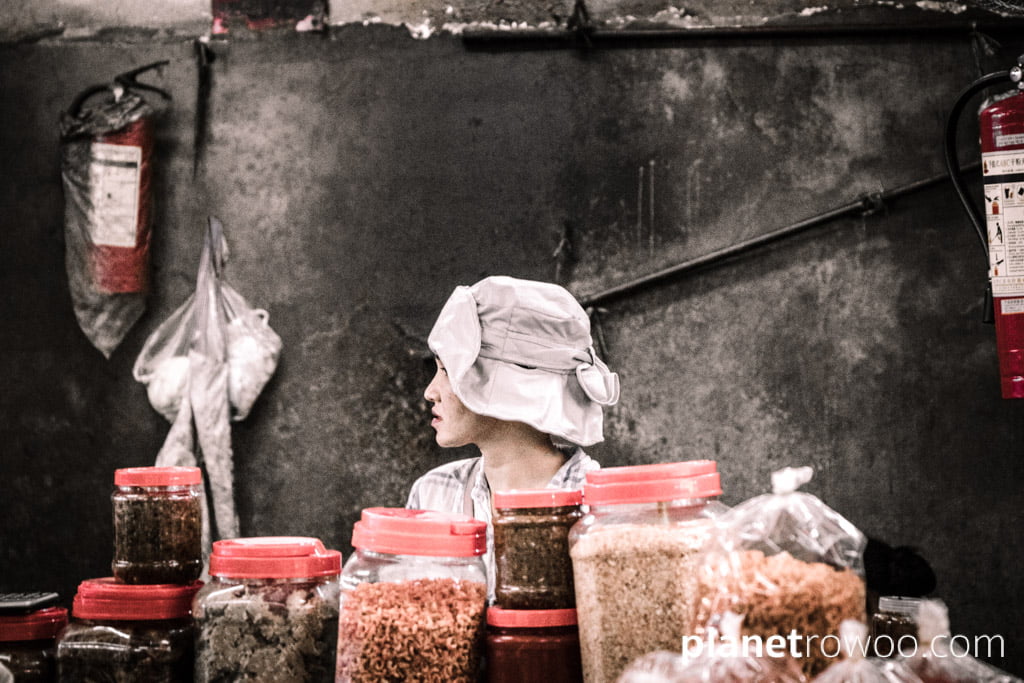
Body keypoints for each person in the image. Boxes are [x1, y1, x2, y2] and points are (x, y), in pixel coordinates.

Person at [406, 275, 620, 588]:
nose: (430, 392)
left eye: (447, 370)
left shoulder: (599, 511)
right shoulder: (433, 495)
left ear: (510, 384)